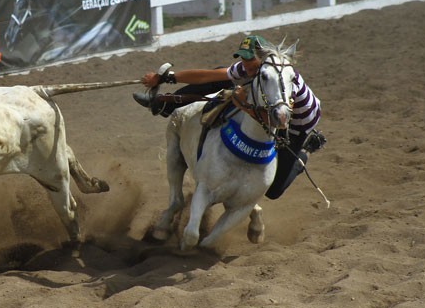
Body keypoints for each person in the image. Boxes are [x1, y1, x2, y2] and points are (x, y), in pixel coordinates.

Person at [132, 35, 326, 199]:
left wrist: (242, 104)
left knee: (273, 191)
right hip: (266, 102)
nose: (245, 64)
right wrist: (168, 77)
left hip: (296, 122)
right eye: (243, 58)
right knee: (220, 76)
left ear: (263, 59)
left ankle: (307, 149)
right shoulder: (250, 68)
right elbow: (207, 77)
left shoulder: (282, 78)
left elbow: (277, 122)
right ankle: (165, 102)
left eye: (250, 60)